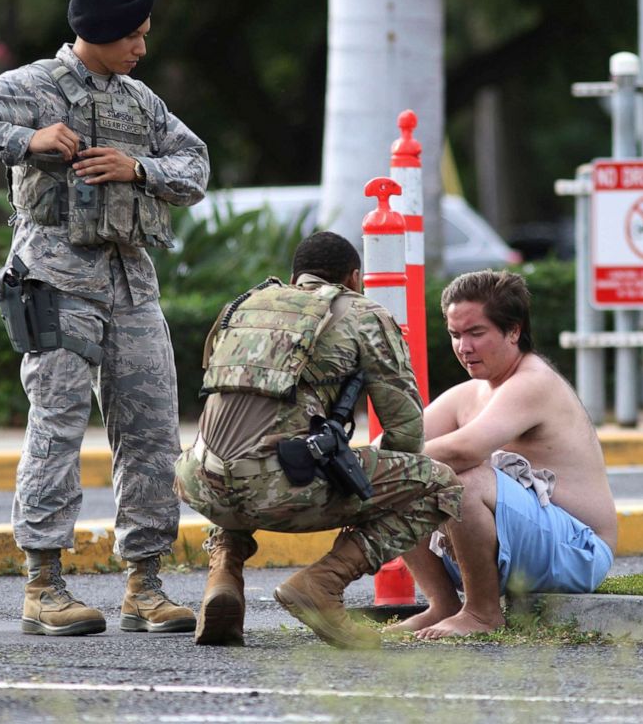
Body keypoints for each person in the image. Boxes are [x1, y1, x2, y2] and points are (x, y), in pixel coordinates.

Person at [0, 0, 210, 636]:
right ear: (99, 32)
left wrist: (139, 168)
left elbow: (193, 165)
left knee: (152, 433)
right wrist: (27, 140)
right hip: (55, 283)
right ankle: (43, 586)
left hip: (133, 286)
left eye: (144, 33)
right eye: (132, 34)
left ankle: (145, 584)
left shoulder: (142, 99)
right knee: (57, 427)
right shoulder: (35, 85)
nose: (142, 45)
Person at [174, 231, 462, 649]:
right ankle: (322, 584)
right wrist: (376, 492)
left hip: (198, 481)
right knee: (439, 484)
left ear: (295, 280)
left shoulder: (242, 306)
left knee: (242, 454)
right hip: (276, 489)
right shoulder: (363, 314)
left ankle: (224, 576)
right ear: (355, 278)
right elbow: (405, 430)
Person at [387, 269, 617, 639]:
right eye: (455, 335)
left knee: (464, 475)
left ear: (513, 330)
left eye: (476, 333)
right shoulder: (470, 393)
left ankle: (481, 613)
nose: (464, 347)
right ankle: (443, 605)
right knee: (404, 475)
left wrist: (383, 466)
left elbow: (466, 449)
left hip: (579, 551)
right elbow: (399, 441)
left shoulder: (533, 381)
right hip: (529, 545)